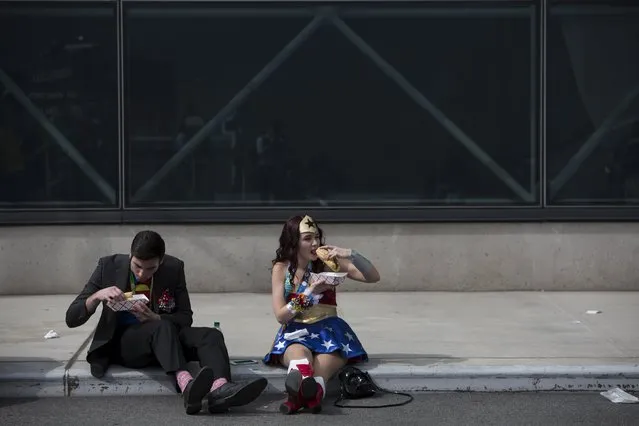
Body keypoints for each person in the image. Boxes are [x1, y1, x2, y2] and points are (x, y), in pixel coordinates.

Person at [65, 230, 267, 415]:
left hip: (165, 338)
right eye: (137, 266)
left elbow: (185, 316)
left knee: (210, 335)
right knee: (161, 327)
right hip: (126, 344)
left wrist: (157, 317)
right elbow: (72, 318)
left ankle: (220, 389)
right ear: (130, 256)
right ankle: (186, 385)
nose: (142, 274)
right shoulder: (107, 266)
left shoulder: (174, 268)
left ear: (160, 262)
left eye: (150, 268)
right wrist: (97, 296)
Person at [263, 215, 381, 414]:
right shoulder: (282, 268)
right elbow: (281, 316)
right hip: (296, 332)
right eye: (308, 238)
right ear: (294, 241)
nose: (315, 243)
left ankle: (297, 398)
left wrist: (350, 253)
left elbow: (373, 277)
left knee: (319, 372)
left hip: (330, 332)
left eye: (317, 237)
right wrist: (309, 292)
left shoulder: (328, 262)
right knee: (300, 359)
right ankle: (309, 396)